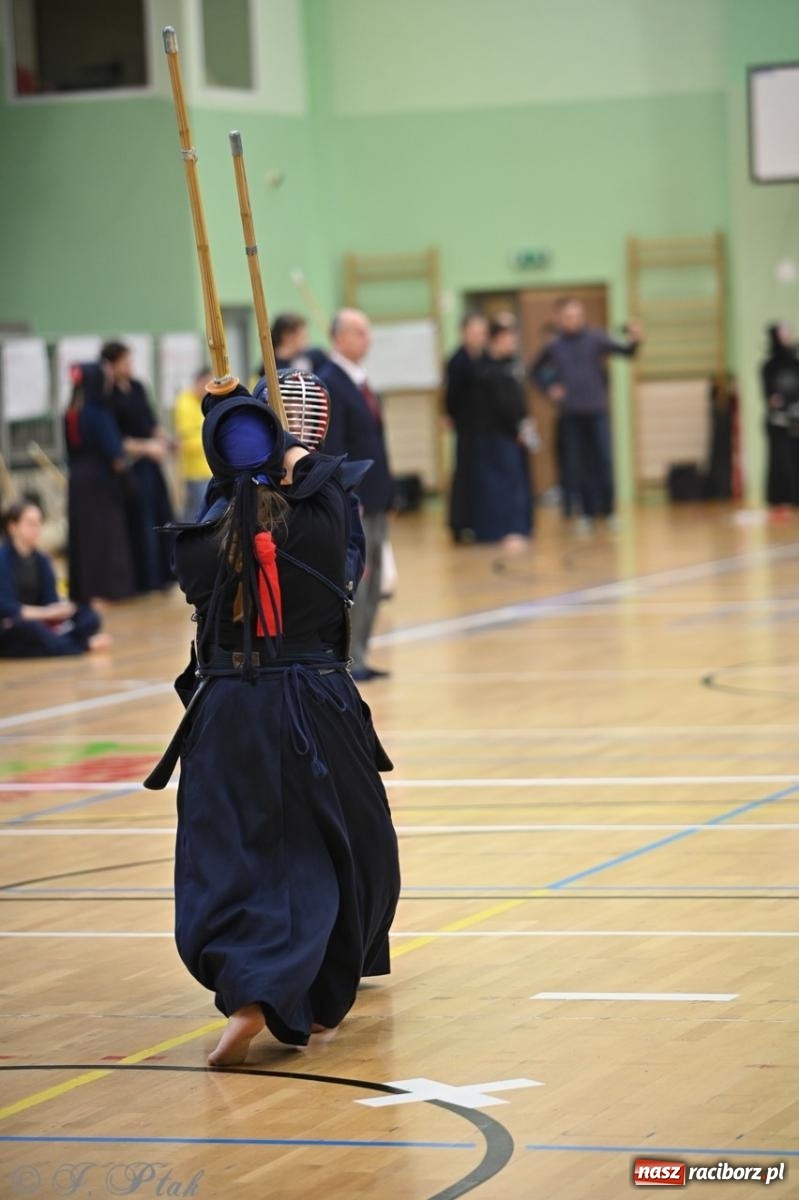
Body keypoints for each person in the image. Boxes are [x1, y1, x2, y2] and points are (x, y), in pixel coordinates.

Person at [144, 386, 400, 1065]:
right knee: (343, 851)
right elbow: (340, 534)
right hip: (316, 703)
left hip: (227, 711)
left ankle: (253, 992)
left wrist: (228, 425)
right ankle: (311, 999)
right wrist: (271, 435)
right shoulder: (322, 518)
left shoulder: (200, 544)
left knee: (234, 859)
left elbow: (229, 511)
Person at [318, 310, 393, 682]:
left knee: (377, 580)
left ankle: (361, 654)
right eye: (360, 332)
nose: (369, 339)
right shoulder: (330, 383)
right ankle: (347, 658)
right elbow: (335, 448)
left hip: (377, 497)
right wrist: (349, 496)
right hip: (355, 500)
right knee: (358, 581)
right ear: (339, 338)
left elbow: (375, 443)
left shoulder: (362, 382)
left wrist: (388, 495)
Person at [530, 298, 642, 531]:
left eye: (577, 315)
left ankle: (608, 511)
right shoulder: (555, 345)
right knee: (578, 465)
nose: (573, 320)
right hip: (571, 413)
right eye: (568, 316)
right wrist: (550, 388)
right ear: (560, 319)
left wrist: (635, 339)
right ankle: (587, 513)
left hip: (596, 410)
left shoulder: (596, 338)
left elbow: (627, 352)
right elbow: (534, 372)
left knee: (603, 460)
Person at [102, 340, 176, 592]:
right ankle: (149, 578)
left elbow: (151, 422)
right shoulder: (108, 395)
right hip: (133, 467)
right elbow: (118, 440)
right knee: (143, 522)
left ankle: (169, 573)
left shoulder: (137, 387)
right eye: (124, 362)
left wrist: (166, 440)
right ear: (111, 365)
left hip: (152, 463)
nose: (129, 366)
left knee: (163, 514)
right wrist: (148, 447)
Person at [65, 362, 139, 604]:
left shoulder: (70, 412)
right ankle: (106, 590)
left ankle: (86, 591)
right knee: (105, 536)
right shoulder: (98, 412)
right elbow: (115, 454)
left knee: (84, 536)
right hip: (101, 481)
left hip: (77, 480)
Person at [0, 499, 111, 657]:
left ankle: (60, 641)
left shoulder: (42, 560)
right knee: (29, 629)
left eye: (39, 523)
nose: (36, 528)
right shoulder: (2, 560)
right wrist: (47, 613)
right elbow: (7, 608)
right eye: (30, 523)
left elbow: (50, 600)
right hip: (13, 625)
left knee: (89, 616)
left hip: (41, 621)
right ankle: (81, 644)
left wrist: (64, 609)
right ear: (13, 527)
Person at [472, 315, 534, 548]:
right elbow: (499, 406)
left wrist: (525, 423)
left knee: (516, 481)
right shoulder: (486, 370)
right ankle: (505, 530)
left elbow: (517, 402)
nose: (512, 344)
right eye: (508, 339)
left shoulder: (510, 367)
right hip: (497, 436)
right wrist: (514, 428)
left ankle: (519, 526)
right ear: (496, 340)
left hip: (512, 434)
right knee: (501, 484)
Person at [445, 313, 488, 543]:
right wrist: (452, 417)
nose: (479, 337)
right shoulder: (458, 360)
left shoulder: (483, 358)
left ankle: (478, 520)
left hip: (481, 426)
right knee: (463, 472)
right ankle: (459, 524)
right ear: (464, 333)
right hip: (465, 425)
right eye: (475, 332)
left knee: (480, 473)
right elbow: (451, 396)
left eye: (482, 332)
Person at [761, 323, 799, 516]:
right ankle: (778, 498)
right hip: (777, 422)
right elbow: (770, 396)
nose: (789, 336)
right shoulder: (769, 366)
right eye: (785, 333)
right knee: (780, 460)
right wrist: (779, 406)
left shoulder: (795, 363)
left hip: (795, 420)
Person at [174, 366, 213, 520]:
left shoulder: (206, 401)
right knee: (197, 514)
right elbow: (184, 441)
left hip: (209, 469)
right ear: (199, 382)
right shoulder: (185, 402)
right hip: (195, 471)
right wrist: (211, 440)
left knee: (196, 512)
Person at [258, 313, 329, 376]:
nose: (307, 339)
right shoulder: (270, 368)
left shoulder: (316, 356)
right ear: (287, 336)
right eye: (303, 336)